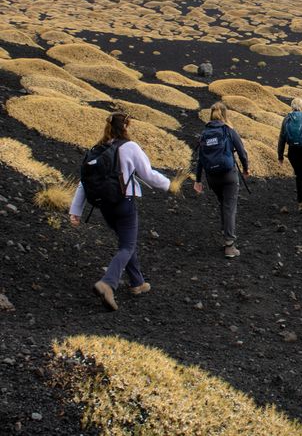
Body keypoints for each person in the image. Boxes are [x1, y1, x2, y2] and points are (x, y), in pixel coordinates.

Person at [69, 112, 171, 311]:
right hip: (124, 203)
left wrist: (76, 210)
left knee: (126, 242)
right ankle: (108, 283)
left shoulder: (97, 149)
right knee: (127, 245)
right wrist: (169, 185)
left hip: (105, 206)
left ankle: (137, 283)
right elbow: (148, 175)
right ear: (125, 127)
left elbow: (85, 182)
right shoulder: (129, 147)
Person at [193, 102, 249, 259]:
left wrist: (198, 180)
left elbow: (200, 159)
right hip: (228, 175)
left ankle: (226, 235)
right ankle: (229, 245)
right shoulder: (228, 130)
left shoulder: (204, 133)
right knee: (229, 207)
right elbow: (242, 152)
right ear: (225, 114)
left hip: (212, 177)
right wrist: (246, 169)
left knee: (223, 204)